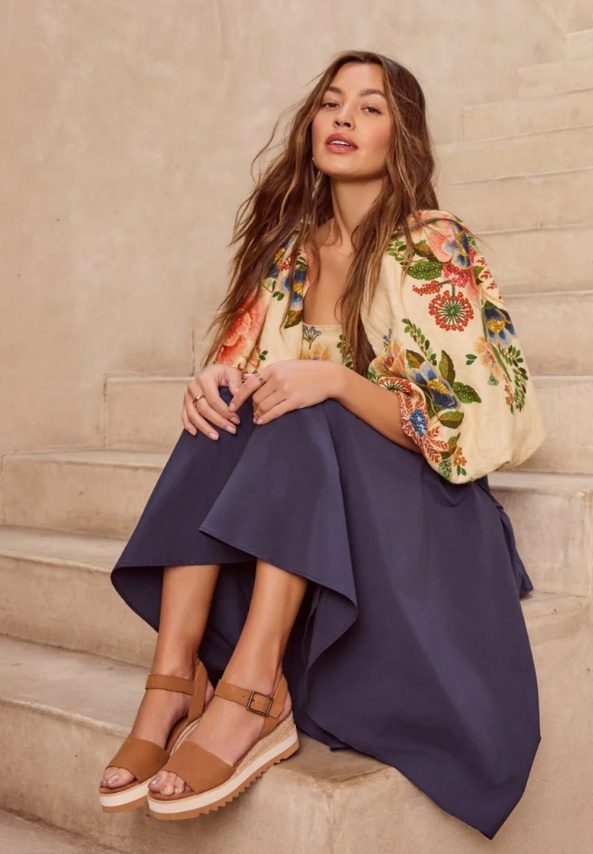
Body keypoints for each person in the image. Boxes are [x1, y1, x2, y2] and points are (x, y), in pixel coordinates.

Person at [97, 50, 546, 839]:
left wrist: (336, 382)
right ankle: (173, 679)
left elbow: (476, 426)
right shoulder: (289, 256)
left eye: (370, 107)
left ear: (402, 137)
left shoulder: (432, 244)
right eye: (332, 103)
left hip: (432, 517)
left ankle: (255, 688)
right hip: (318, 509)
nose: (343, 117)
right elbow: (248, 390)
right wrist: (215, 383)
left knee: (306, 404)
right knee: (227, 408)